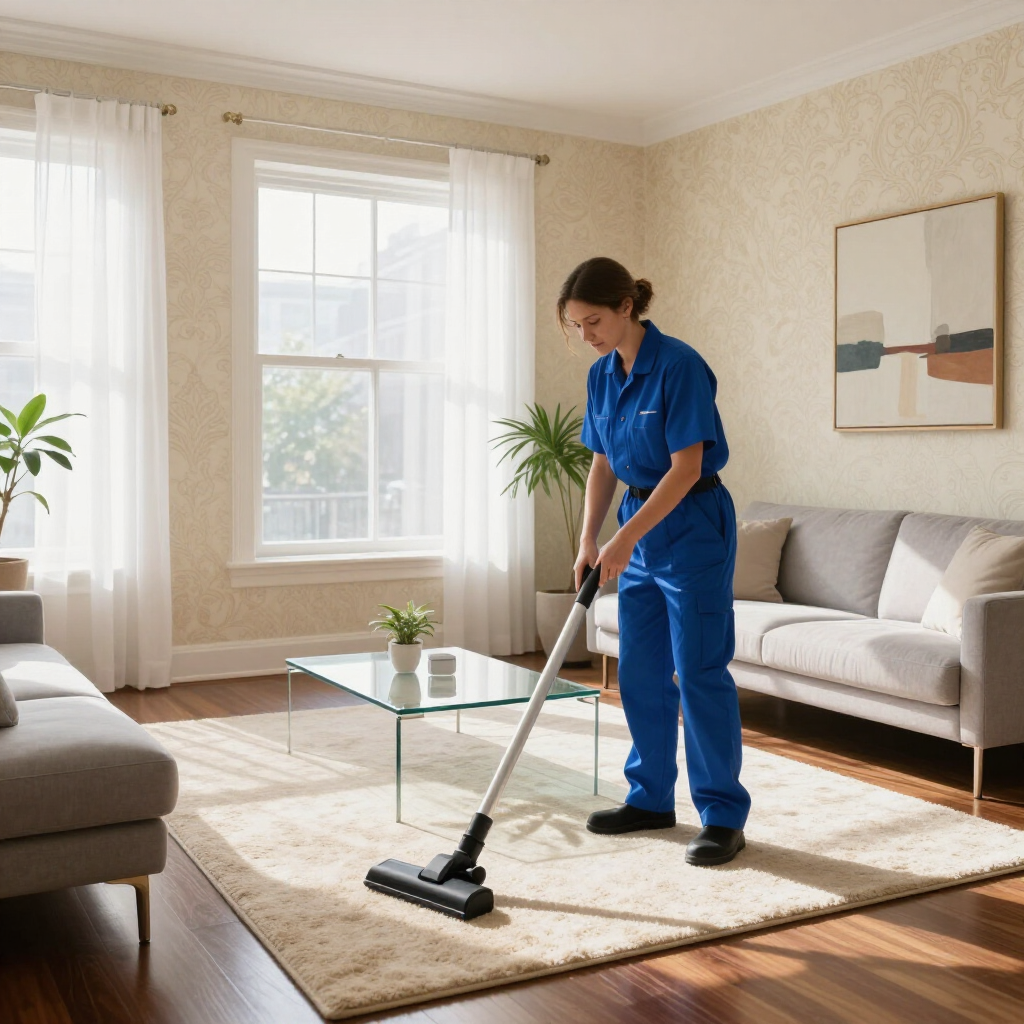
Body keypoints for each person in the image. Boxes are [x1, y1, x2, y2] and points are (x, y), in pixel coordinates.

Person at [561, 256, 749, 866]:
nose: (587, 334)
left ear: (625, 307)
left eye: (593, 320)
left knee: (699, 672)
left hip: (692, 525)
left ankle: (720, 814)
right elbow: (602, 463)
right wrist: (591, 538)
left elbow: (687, 467)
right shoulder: (600, 375)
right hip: (635, 528)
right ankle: (650, 798)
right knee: (640, 670)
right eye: (576, 326)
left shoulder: (680, 366)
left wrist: (624, 541)